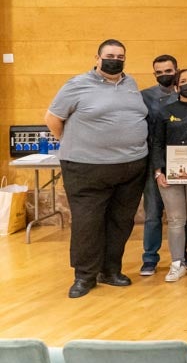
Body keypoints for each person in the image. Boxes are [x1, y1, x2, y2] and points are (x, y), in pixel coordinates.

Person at [46, 40, 150, 299]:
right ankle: (84, 276)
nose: (115, 59)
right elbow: (52, 119)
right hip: (86, 168)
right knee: (87, 223)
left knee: (120, 222)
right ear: (97, 58)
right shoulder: (76, 85)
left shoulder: (131, 84)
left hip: (131, 167)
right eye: (110, 55)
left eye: (120, 56)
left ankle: (110, 270)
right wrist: (78, 145)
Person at [149, 69, 187, 282]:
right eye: (183, 81)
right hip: (170, 175)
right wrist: (158, 171)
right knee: (175, 220)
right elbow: (156, 143)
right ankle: (177, 263)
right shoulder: (165, 111)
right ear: (176, 86)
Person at [139, 53, 180, 277]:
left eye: (169, 71)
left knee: (180, 214)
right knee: (153, 213)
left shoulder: (186, 92)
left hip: (182, 161)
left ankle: (182, 255)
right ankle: (150, 258)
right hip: (155, 162)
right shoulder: (143, 97)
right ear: (154, 74)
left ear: (177, 70)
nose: (165, 75)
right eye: (160, 72)